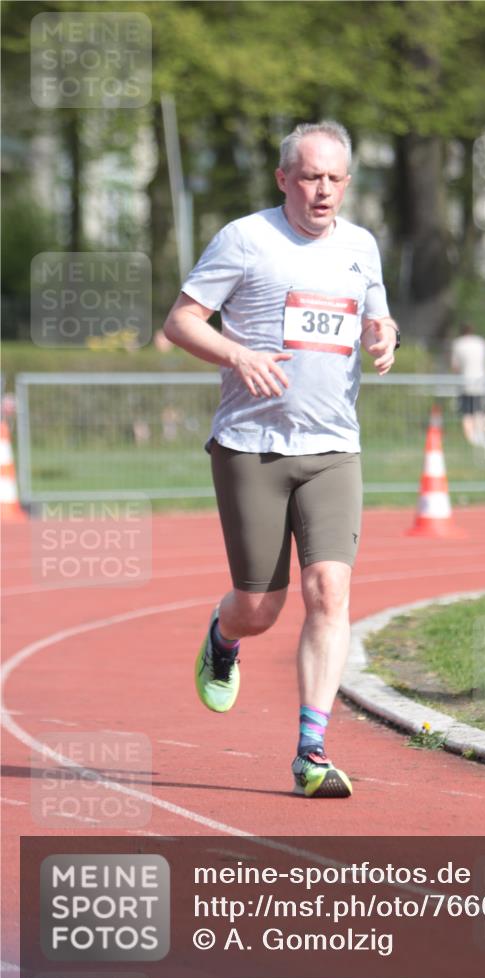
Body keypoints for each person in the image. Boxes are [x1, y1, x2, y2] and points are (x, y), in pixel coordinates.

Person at [163, 121, 398, 798]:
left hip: (332, 448)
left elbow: (376, 317)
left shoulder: (361, 246)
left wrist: (387, 336)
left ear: (346, 183)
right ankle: (223, 636)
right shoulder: (246, 238)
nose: (321, 190)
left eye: (333, 178)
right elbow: (180, 321)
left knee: (329, 590)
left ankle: (311, 750)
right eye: (308, 176)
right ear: (283, 179)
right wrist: (237, 354)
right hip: (251, 447)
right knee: (259, 608)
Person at [450, 323, 485, 446]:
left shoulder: (458, 343)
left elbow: (455, 366)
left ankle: (470, 440)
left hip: (465, 383)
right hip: (481, 382)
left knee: (467, 413)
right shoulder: (481, 342)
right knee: (479, 411)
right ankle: (480, 437)